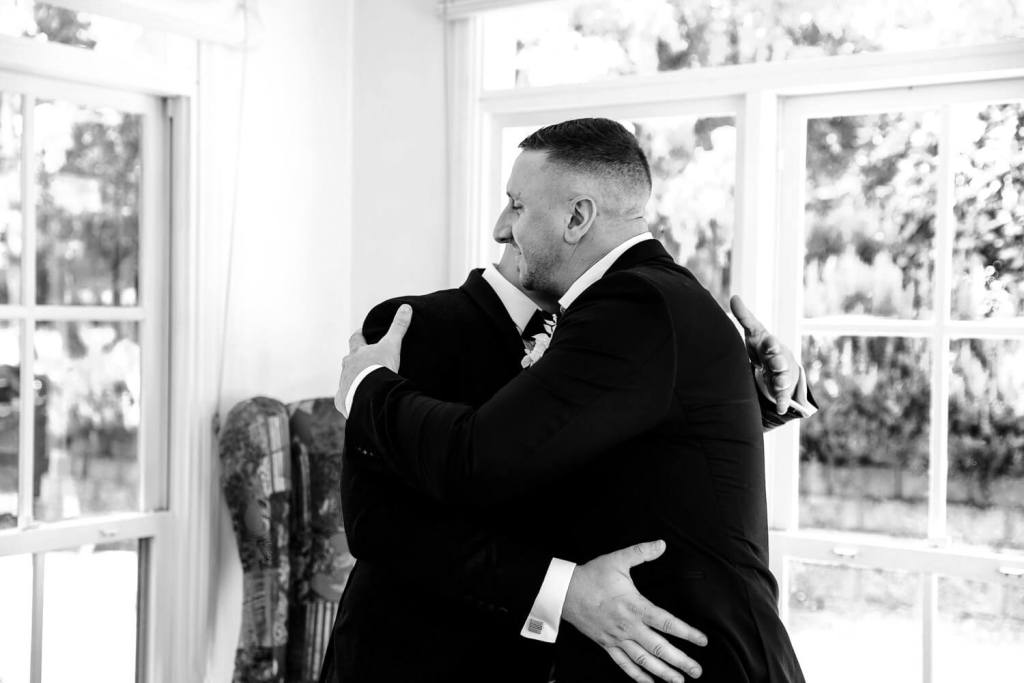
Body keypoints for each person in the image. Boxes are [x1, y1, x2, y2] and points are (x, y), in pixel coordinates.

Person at [335, 118, 812, 682]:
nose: (499, 228)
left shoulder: (631, 307)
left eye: (516, 206)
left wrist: (366, 388)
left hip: (686, 656)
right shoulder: (415, 327)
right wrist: (561, 591)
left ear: (577, 217)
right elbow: (377, 521)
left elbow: (486, 453)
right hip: (423, 661)